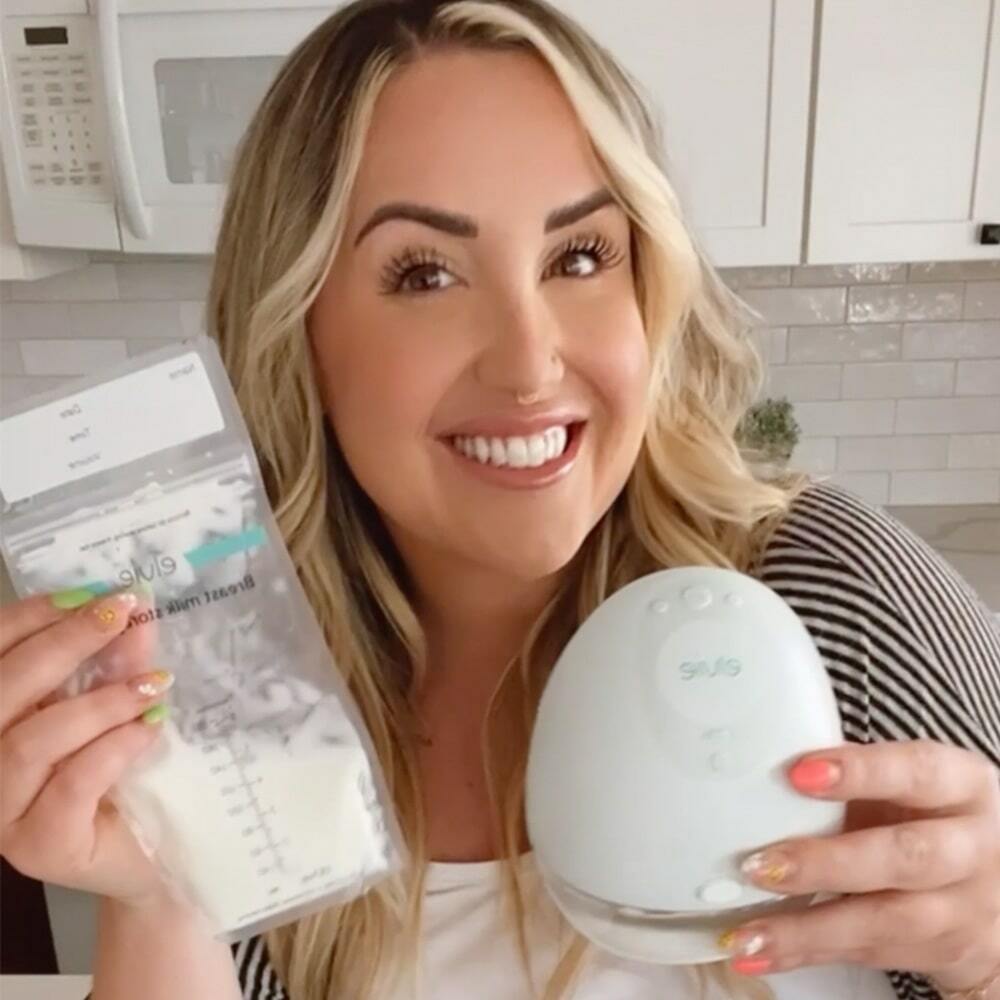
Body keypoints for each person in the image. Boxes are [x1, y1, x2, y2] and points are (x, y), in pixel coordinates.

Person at [1, 2, 998, 999]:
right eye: (425, 273)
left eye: (579, 257)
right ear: (299, 337)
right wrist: (159, 895)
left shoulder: (835, 604)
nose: (529, 363)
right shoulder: (240, 700)